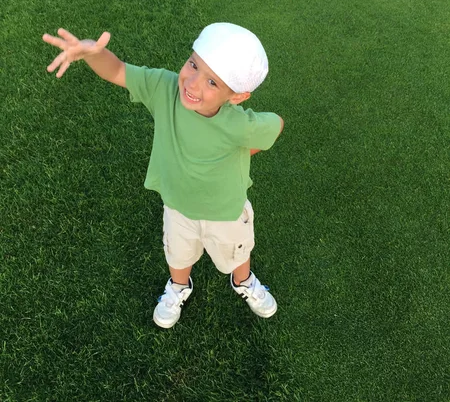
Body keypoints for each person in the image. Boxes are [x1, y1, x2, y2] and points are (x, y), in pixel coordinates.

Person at [42, 23, 284, 328]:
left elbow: (275, 125)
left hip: (226, 212)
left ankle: (244, 281)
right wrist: (93, 51)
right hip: (177, 204)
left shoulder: (241, 125)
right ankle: (179, 286)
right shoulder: (165, 88)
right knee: (178, 253)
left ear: (236, 97)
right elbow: (117, 70)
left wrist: (240, 153)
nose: (193, 83)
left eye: (212, 82)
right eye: (193, 64)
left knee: (237, 252)